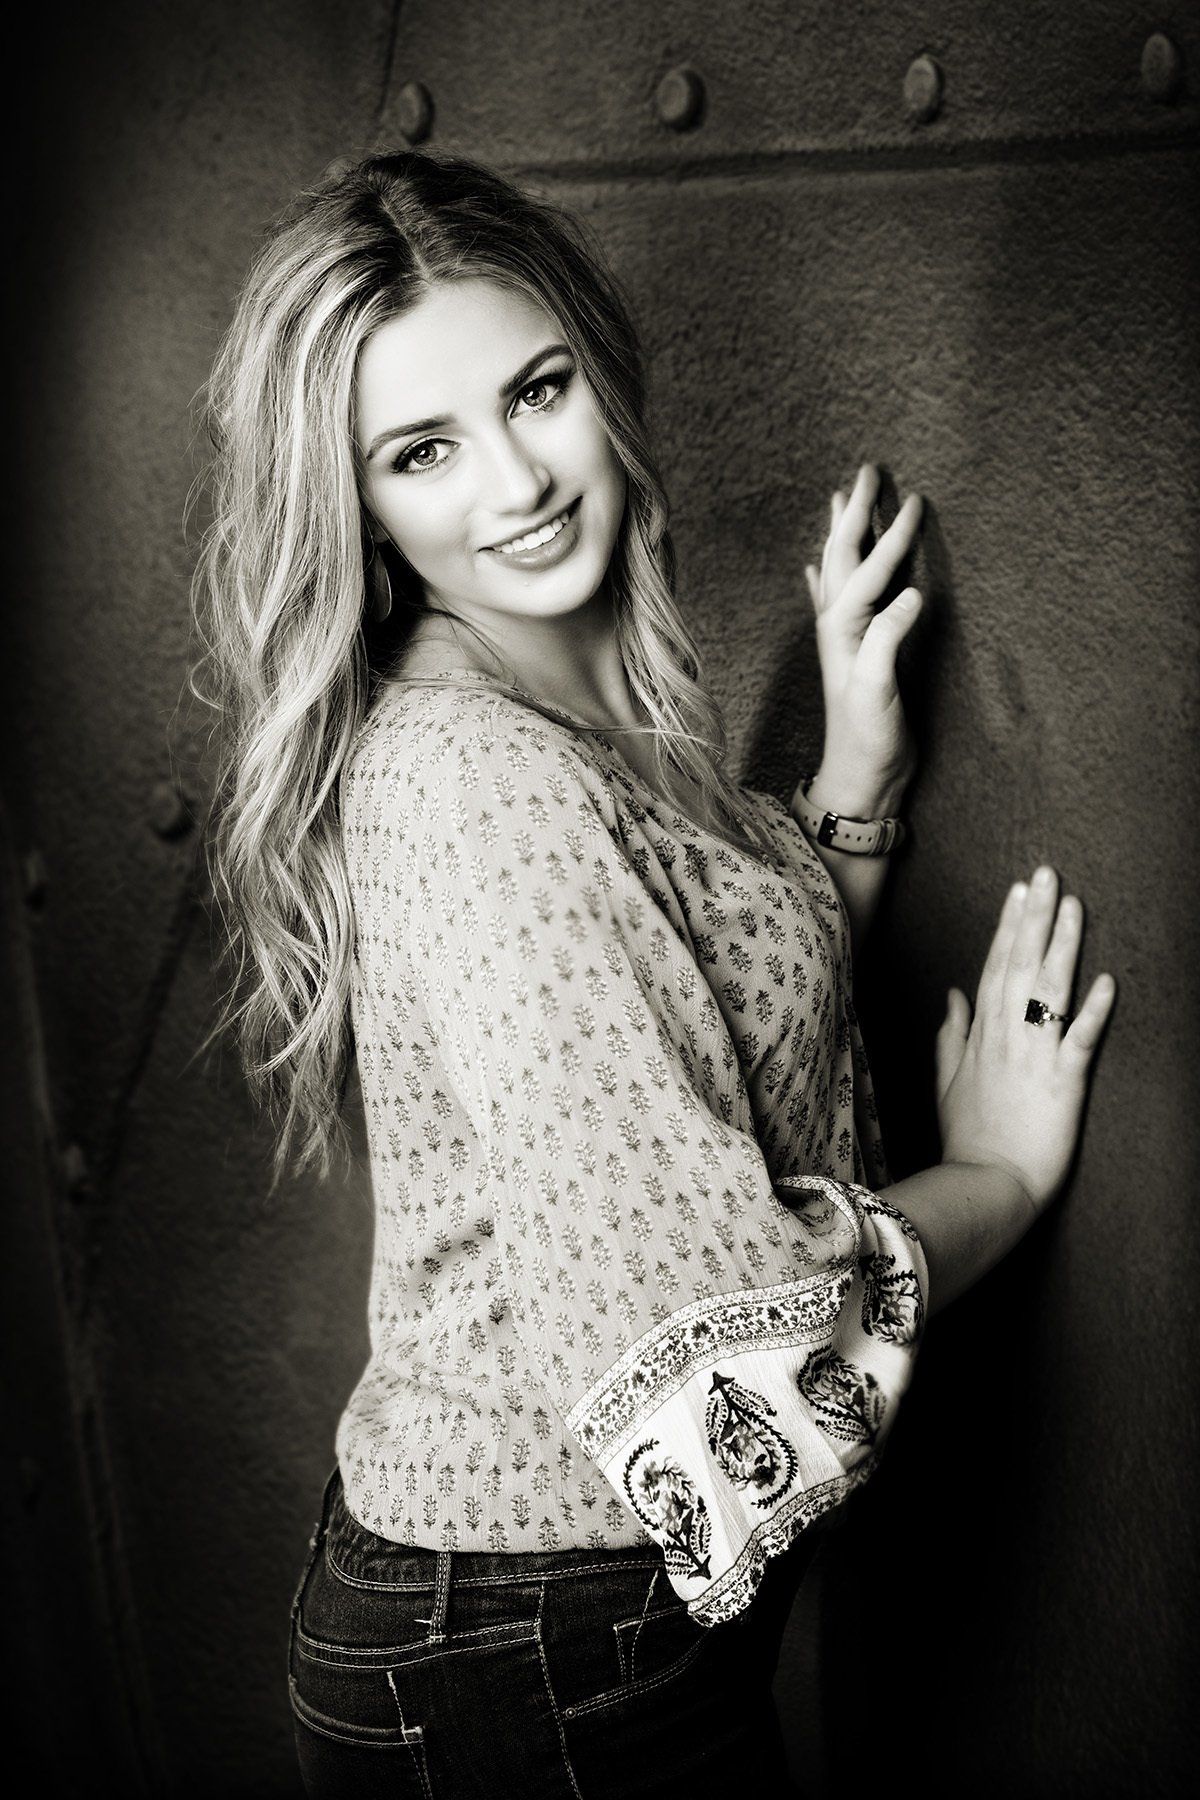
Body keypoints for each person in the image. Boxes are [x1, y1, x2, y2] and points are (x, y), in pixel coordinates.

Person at [189, 147, 1116, 1798]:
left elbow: (693, 1020)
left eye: (535, 390)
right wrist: (1000, 1176)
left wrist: (855, 780)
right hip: (530, 1660)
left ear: (596, 374)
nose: (517, 484)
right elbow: (719, 1357)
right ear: (364, 511)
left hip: (525, 1638)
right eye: (421, 451)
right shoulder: (481, 782)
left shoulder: (555, 713)